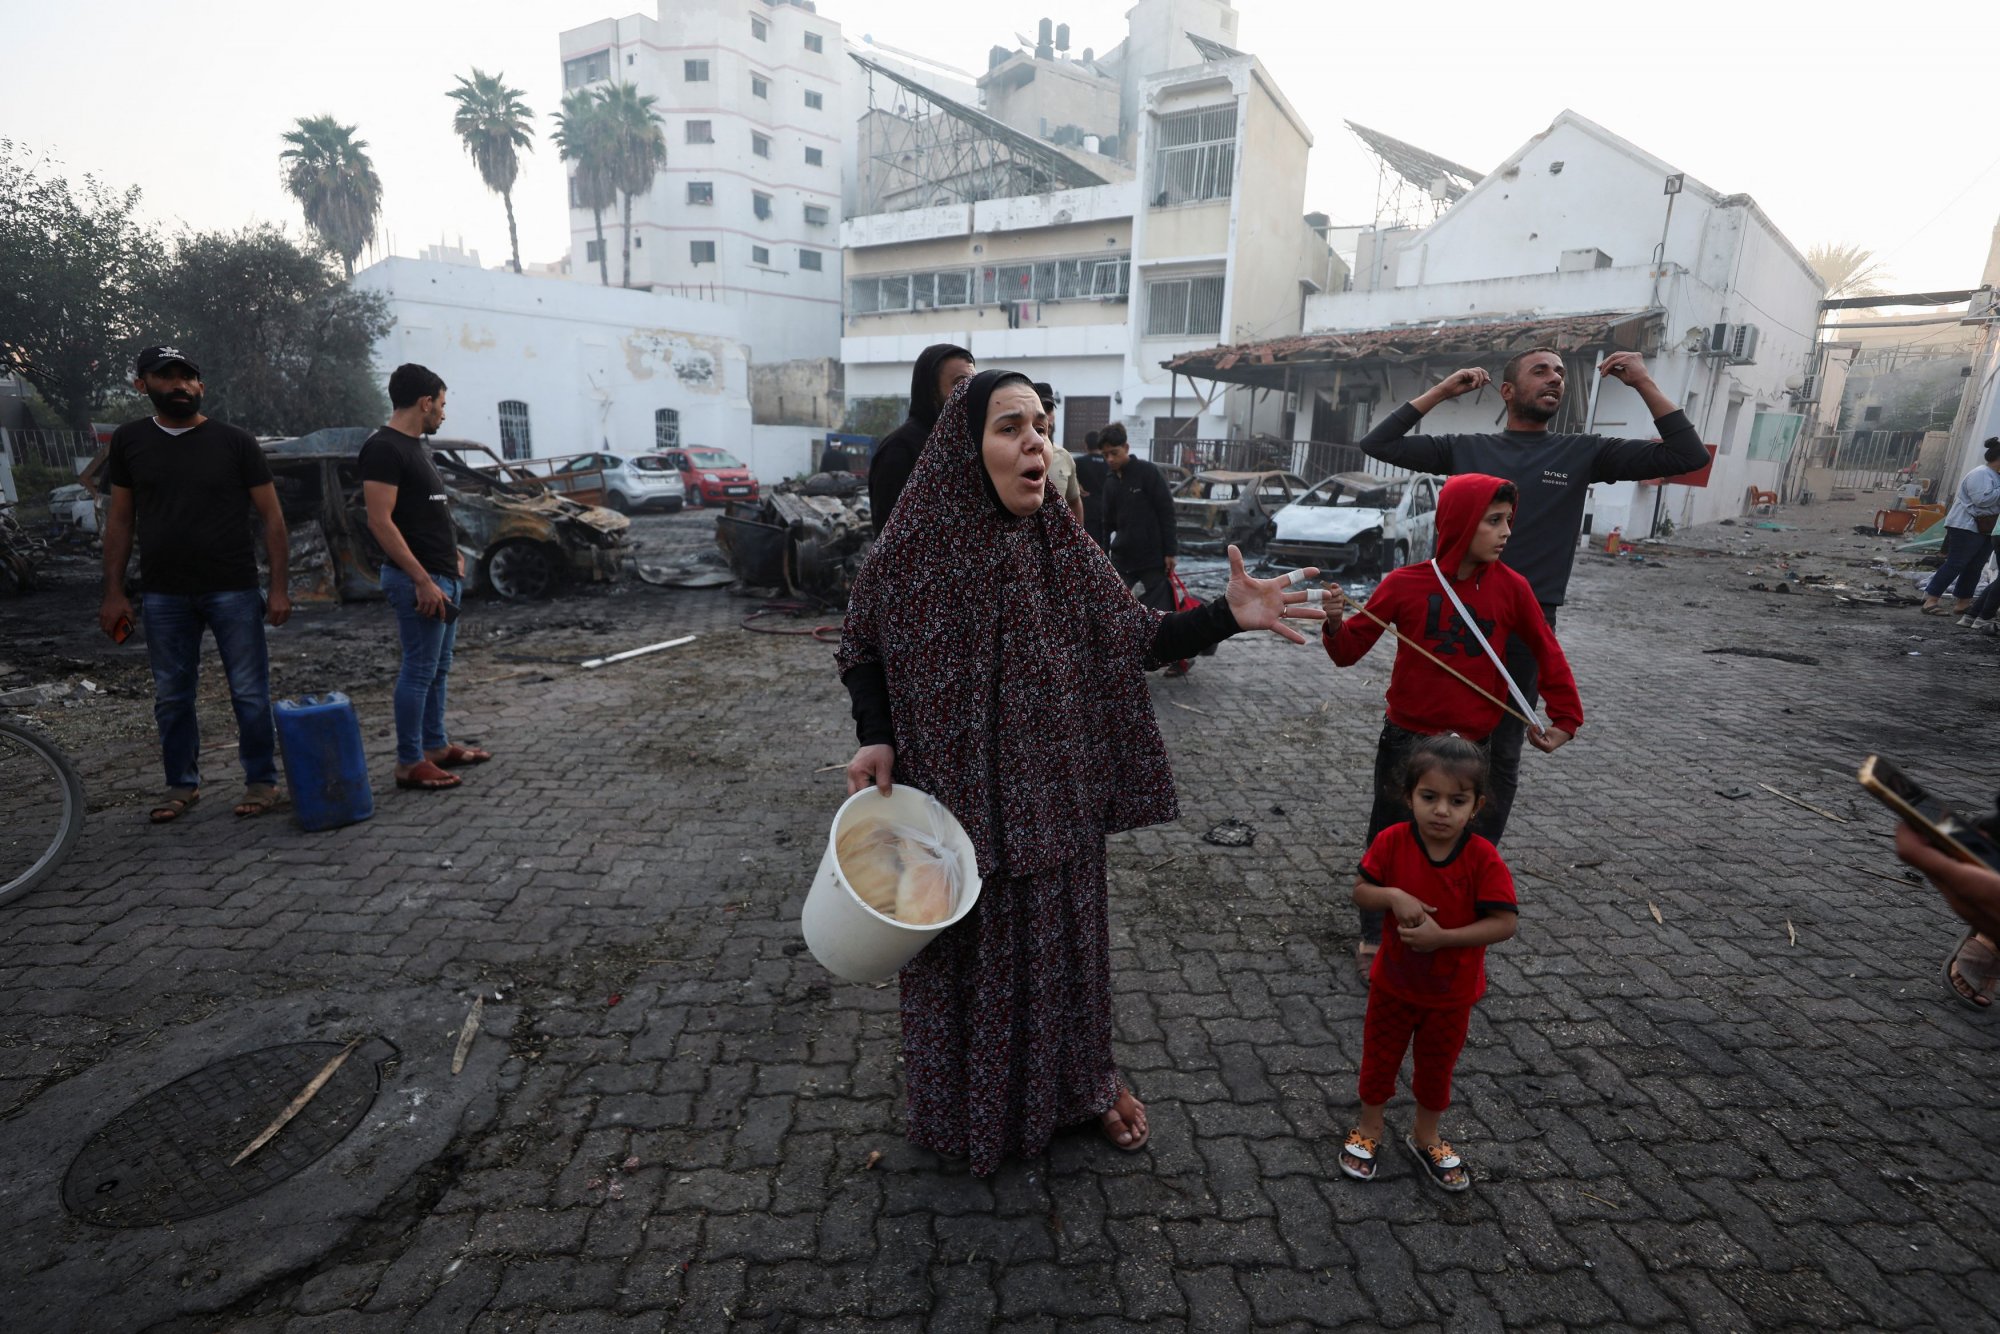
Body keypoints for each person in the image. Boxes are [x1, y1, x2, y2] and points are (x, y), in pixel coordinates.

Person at [837, 369, 1324, 1175]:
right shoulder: (909, 551)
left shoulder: (1058, 543)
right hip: (950, 808)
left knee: (1060, 957)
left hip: (1050, 798)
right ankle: (969, 1101)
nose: (1036, 440)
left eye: (1042, 424)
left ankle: (1084, 1086)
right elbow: (863, 647)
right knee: (966, 955)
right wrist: (877, 734)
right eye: (1009, 426)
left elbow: (1135, 636)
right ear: (964, 450)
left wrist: (1227, 617)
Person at [1357, 349, 1705, 843]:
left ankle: (1473, 862)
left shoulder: (1583, 453)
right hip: (1453, 612)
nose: (1555, 378)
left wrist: (1644, 382)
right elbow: (1378, 442)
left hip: (1526, 623)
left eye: (1561, 372)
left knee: (1500, 752)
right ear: (1507, 391)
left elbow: (1688, 456)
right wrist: (1442, 390)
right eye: (1540, 370)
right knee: (1422, 740)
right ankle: (1396, 856)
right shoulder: (1465, 447)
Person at [1324, 474, 1581, 969]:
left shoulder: (1513, 588)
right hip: (1406, 739)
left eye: (1509, 520)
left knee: (1456, 838)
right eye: (1493, 521)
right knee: (1390, 834)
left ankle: (1449, 929)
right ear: (1461, 523)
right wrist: (1336, 622)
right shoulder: (1405, 583)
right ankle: (1375, 934)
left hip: (1472, 746)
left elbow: (1548, 653)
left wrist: (1565, 717)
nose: (1506, 532)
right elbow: (1348, 651)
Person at [98, 345, 293, 823]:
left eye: (188, 377)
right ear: (142, 385)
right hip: (163, 593)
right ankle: (181, 785)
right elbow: (120, 521)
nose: (180, 385)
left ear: (201, 387)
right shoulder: (128, 442)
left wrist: (280, 587)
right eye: (167, 377)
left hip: (232, 587)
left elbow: (273, 520)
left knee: (248, 690)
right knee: (172, 696)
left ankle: (261, 780)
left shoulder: (235, 441)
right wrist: (114, 591)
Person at [1339, 735, 1517, 1192]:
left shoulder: (1483, 858)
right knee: (1379, 1059)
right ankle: (1370, 1127)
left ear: (1475, 806)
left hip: (1451, 993)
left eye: (1456, 801)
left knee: (1437, 1068)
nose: (1442, 811)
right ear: (1408, 797)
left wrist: (1443, 939)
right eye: (1429, 797)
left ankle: (1426, 1134)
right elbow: (1362, 890)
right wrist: (1394, 895)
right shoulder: (1392, 842)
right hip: (1393, 984)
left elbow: (1503, 923)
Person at [359, 364, 492, 792]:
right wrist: (420, 578)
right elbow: (380, 522)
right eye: (442, 404)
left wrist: (450, 551)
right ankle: (409, 761)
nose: (444, 413)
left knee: (438, 668)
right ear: (425, 402)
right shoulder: (384, 448)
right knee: (418, 670)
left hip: (441, 574)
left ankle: (435, 746)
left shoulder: (418, 446)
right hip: (416, 580)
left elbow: (425, 510)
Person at [868, 343, 975, 535]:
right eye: (960, 383)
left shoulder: (967, 446)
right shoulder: (899, 449)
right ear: (932, 391)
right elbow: (890, 535)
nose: (970, 392)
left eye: (973, 383)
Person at [1100, 422, 1179, 613]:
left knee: (1160, 611)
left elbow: (1166, 512)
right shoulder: (1110, 482)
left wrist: (1170, 552)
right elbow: (1107, 524)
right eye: (1105, 455)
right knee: (1112, 607)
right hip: (1122, 557)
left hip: (1152, 557)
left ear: (1126, 448)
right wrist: (1102, 555)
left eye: (1114, 453)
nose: (1110, 459)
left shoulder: (1148, 472)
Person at [1921, 438, 2000, 618]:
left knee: (1975, 566)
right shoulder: (1982, 474)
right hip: (1966, 526)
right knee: (1956, 563)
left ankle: (1963, 603)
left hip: (1985, 527)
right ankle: (1930, 600)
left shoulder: (1995, 475)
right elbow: (1981, 499)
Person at [1030, 382, 1084, 525]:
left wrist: (1078, 541)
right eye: (1039, 410)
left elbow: (1074, 501)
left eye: (1048, 410)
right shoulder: (1016, 454)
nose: (1046, 417)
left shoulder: (1064, 457)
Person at [1076, 429, 1110, 550]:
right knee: (1105, 544)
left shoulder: (1079, 462)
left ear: (1085, 444)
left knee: (1089, 545)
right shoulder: (1109, 463)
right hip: (1107, 508)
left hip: (1087, 509)